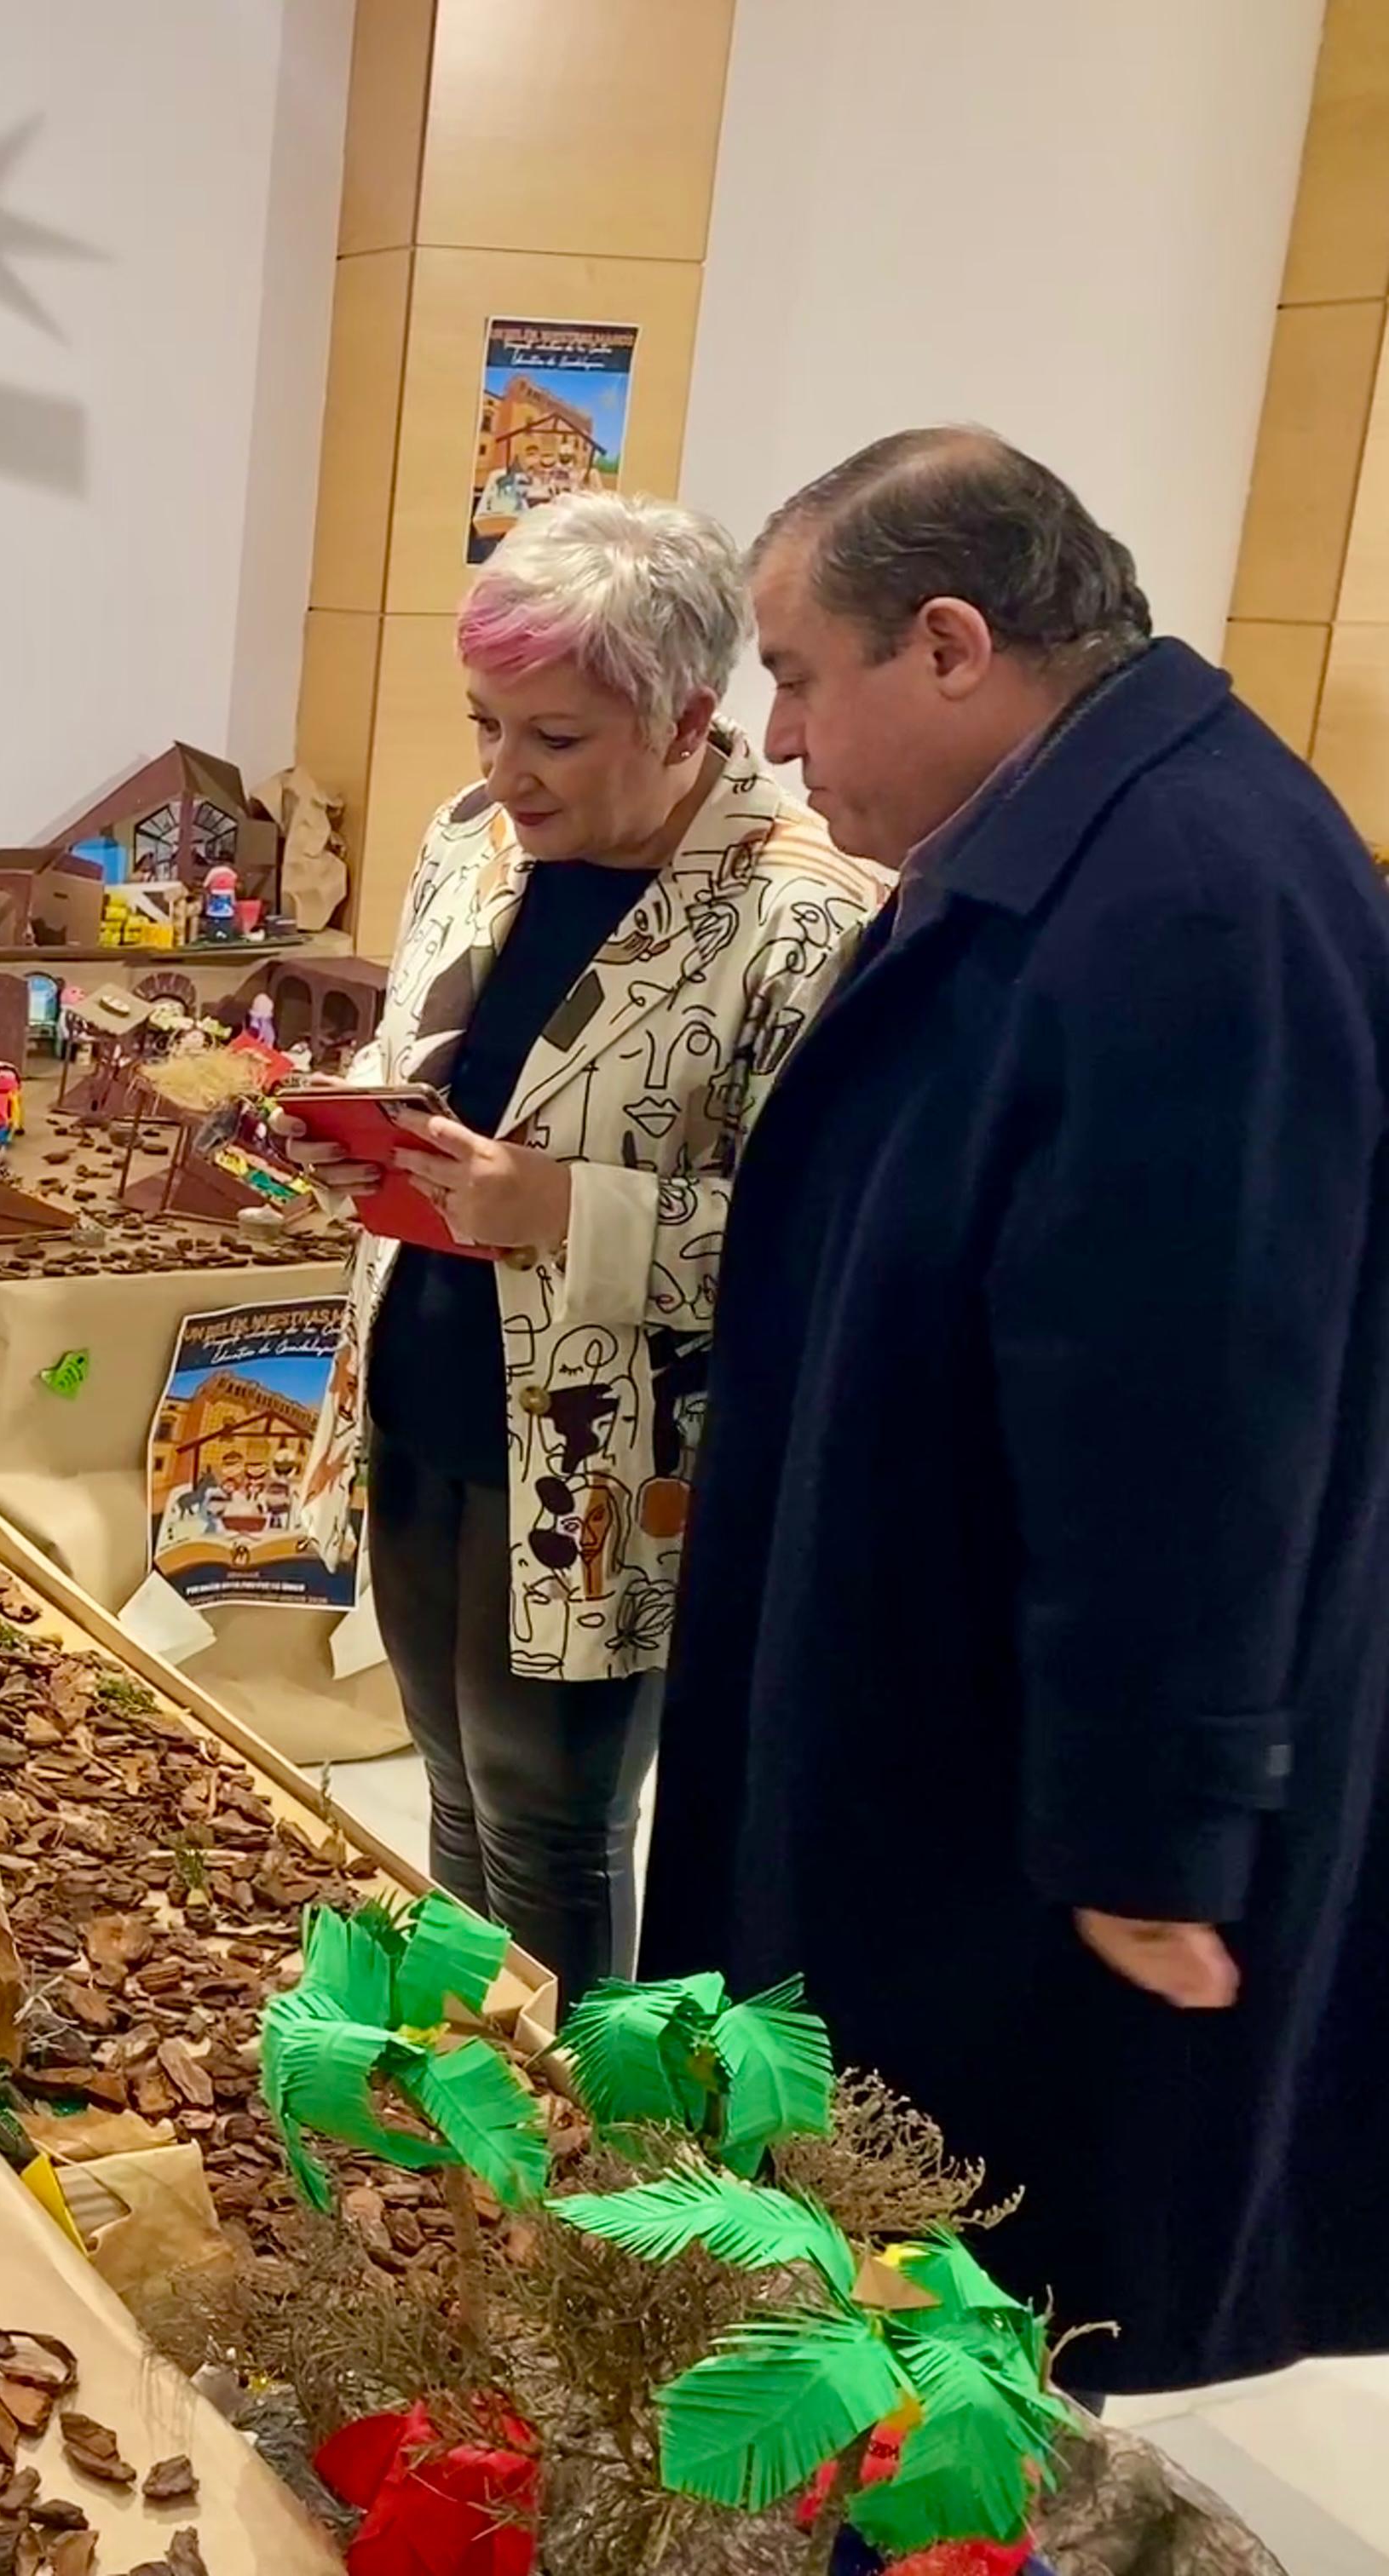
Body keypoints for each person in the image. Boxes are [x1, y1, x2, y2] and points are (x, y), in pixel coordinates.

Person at [644, 429, 1389, 2394]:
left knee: (976, 2299)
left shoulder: (1192, 904)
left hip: (1014, 1803)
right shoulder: (1071, 844)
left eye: (800, 678)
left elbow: (1196, 1425)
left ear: (953, 644)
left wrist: (1154, 1828)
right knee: (873, 2264)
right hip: (935, 1711)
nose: (780, 741)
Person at [287, 493, 886, 1986]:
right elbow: (438, 1057)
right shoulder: (473, 837)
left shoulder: (808, 916)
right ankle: (464, 2070)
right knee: (447, 1779)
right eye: (485, 724)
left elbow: (828, 1257)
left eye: (553, 737)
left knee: (550, 1822)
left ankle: (562, 2123)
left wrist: (567, 1209)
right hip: (421, 1384)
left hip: (604, 1457)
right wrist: (352, 1119)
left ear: (685, 720)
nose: (505, 773)